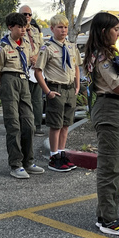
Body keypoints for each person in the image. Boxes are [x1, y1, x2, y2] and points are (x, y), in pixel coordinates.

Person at [84, 12, 119, 236]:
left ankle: (107, 214)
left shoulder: (107, 54)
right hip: (109, 108)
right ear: (103, 31)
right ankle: (108, 220)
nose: (118, 33)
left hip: (116, 109)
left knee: (117, 163)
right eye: (115, 29)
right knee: (110, 166)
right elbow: (117, 87)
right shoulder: (100, 56)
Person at [0, 13, 45, 178]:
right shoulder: (3, 46)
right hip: (9, 80)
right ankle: (16, 164)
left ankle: (28, 161)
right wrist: (6, 86)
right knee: (13, 125)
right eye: (19, 27)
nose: (23, 30)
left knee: (29, 123)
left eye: (25, 26)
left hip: (24, 81)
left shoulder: (26, 44)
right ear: (10, 27)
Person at [35, 14, 82, 172]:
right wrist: (47, 92)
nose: (63, 30)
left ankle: (61, 153)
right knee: (55, 125)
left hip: (70, 90)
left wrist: (77, 86)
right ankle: (53, 156)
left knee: (66, 124)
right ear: (52, 28)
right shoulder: (47, 48)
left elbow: (76, 67)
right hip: (56, 89)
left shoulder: (71, 46)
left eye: (65, 27)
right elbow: (38, 71)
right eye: (60, 27)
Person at [19, 5, 45, 137]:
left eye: (29, 14)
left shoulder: (35, 31)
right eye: (24, 14)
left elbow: (42, 47)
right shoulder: (17, 30)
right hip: (23, 69)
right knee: (24, 99)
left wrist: (37, 57)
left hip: (36, 69)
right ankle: (26, 125)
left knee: (37, 99)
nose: (27, 17)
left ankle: (38, 125)